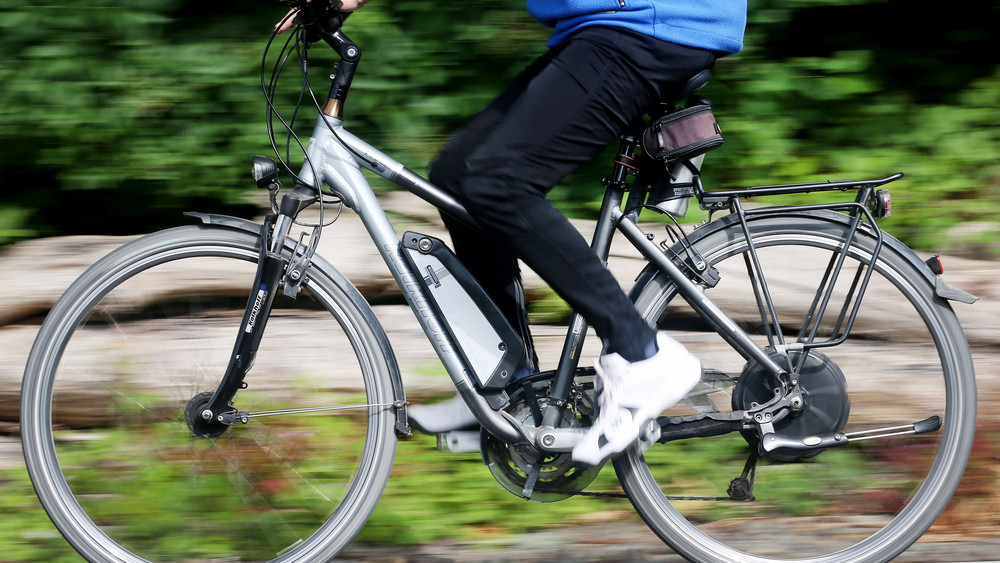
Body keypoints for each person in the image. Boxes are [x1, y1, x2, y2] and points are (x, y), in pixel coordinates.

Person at [282, 0, 747, 466]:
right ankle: (506, 386)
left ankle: (644, 354)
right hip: (609, 28)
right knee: (455, 175)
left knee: (497, 182)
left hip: (653, 26)